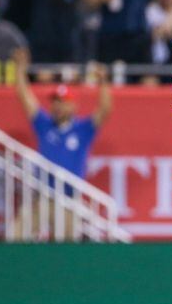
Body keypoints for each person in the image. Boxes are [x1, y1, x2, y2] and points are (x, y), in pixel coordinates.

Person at [14, 64, 111, 239]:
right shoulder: (44, 125)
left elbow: (104, 110)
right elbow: (25, 98)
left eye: (62, 102)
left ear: (73, 106)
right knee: (17, 235)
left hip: (69, 199)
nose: (57, 107)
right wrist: (19, 70)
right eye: (55, 102)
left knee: (68, 247)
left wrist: (103, 81)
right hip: (43, 195)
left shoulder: (83, 129)